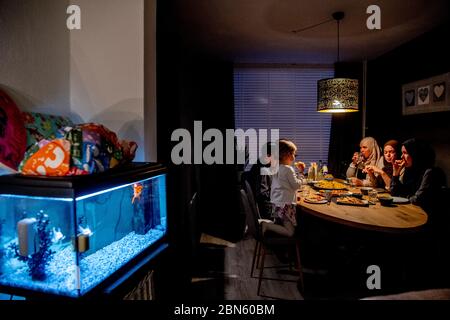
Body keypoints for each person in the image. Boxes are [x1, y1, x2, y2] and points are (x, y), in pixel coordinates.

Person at [391, 138, 446, 217]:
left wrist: (405, 196)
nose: (401, 156)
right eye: (401, 153)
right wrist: (395, 174)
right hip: (410, 212)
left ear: (415, 154)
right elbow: (395, 194)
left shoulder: (430, 172)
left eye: (405, 153)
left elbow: (417, 200)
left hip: (426, 217)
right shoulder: (410, 170)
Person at [262, 139, 305, 237]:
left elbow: (284, 184)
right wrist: (302, 177)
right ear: (286, 155)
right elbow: (296, 185)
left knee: (280, 223)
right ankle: (267, 226)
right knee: (290, 232)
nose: (294, 157)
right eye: (293, 154)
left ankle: (273, 229)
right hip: (285, 205)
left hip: (276, 202)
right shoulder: (288, 169)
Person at [246, 142, 276, 219]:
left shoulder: (260, 163)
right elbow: (263, 195)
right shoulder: (264, 170)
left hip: (264, 208)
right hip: (267, 212)